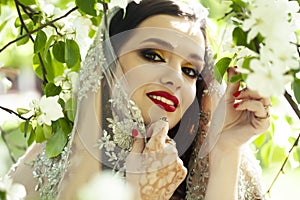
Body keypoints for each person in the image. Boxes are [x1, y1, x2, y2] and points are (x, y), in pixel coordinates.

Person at [8, 0, 271, 199]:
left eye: (190, 71)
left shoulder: (200, 164)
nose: (175, 79)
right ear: (108, 64)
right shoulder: (46, 164)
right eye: (152, 55)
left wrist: (225, 151)